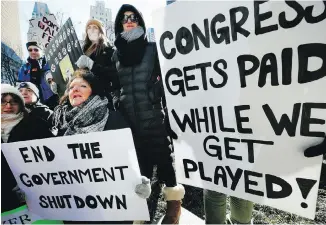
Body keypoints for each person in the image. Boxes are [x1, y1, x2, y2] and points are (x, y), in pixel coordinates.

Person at [112, 4, 185, 224]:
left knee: (165, 164)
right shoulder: (116, 54)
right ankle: (142, 214)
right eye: (124, 18)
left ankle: (174, 208)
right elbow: (115, 84)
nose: (129, 20)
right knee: (139, 171)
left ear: (140, 21)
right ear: (119, 24)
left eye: (133, 17)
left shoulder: (153, 48)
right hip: (131, 123)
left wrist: (162, 100)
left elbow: (171, 80)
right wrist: (118, 100)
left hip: (154, 118)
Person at [51, 69, 151, 224]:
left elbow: (132, 155)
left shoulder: (113, 118)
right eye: (71, 88)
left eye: (82, 86)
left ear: (93, 91)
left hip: (112, 207)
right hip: (78, 209)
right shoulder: (61, 124)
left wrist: (138, 180)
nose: (75, 90)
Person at [1, 84, 54, 213]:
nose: (8, 106)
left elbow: (53, 156)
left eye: (14, 101)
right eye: (3, 101)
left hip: (39, 196)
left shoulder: (36, 124)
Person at [75, 19, 119, 110]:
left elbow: (114, 75)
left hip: (102, 101)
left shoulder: (110, 51)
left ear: (101, 31)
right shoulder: (81, 52)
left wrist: (92, 65)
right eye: (89, 28)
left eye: (95, 27)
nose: (91, 30)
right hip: (83, 101)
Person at [18, 41, 58, 110]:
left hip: (53, 98)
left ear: (41, 51)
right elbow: (20, 86)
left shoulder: (50, 62)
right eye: (30, 50)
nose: (33, 52)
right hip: (35, 102)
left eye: (36, 49)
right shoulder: (24, 68)